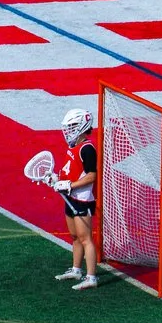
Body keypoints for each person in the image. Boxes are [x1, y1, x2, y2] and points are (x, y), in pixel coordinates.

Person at [53, 107, 102, 290]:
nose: (68, 130)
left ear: (82, 126)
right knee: (75, 236)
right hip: (71, 198)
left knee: (85, 238)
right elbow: (70, 170)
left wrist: (70, 186)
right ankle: (76, 269)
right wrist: (57, 180)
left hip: (82, 199)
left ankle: (91, 277)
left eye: (72, 126)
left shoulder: (87, 149)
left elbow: (91, 176)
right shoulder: (73, 147)